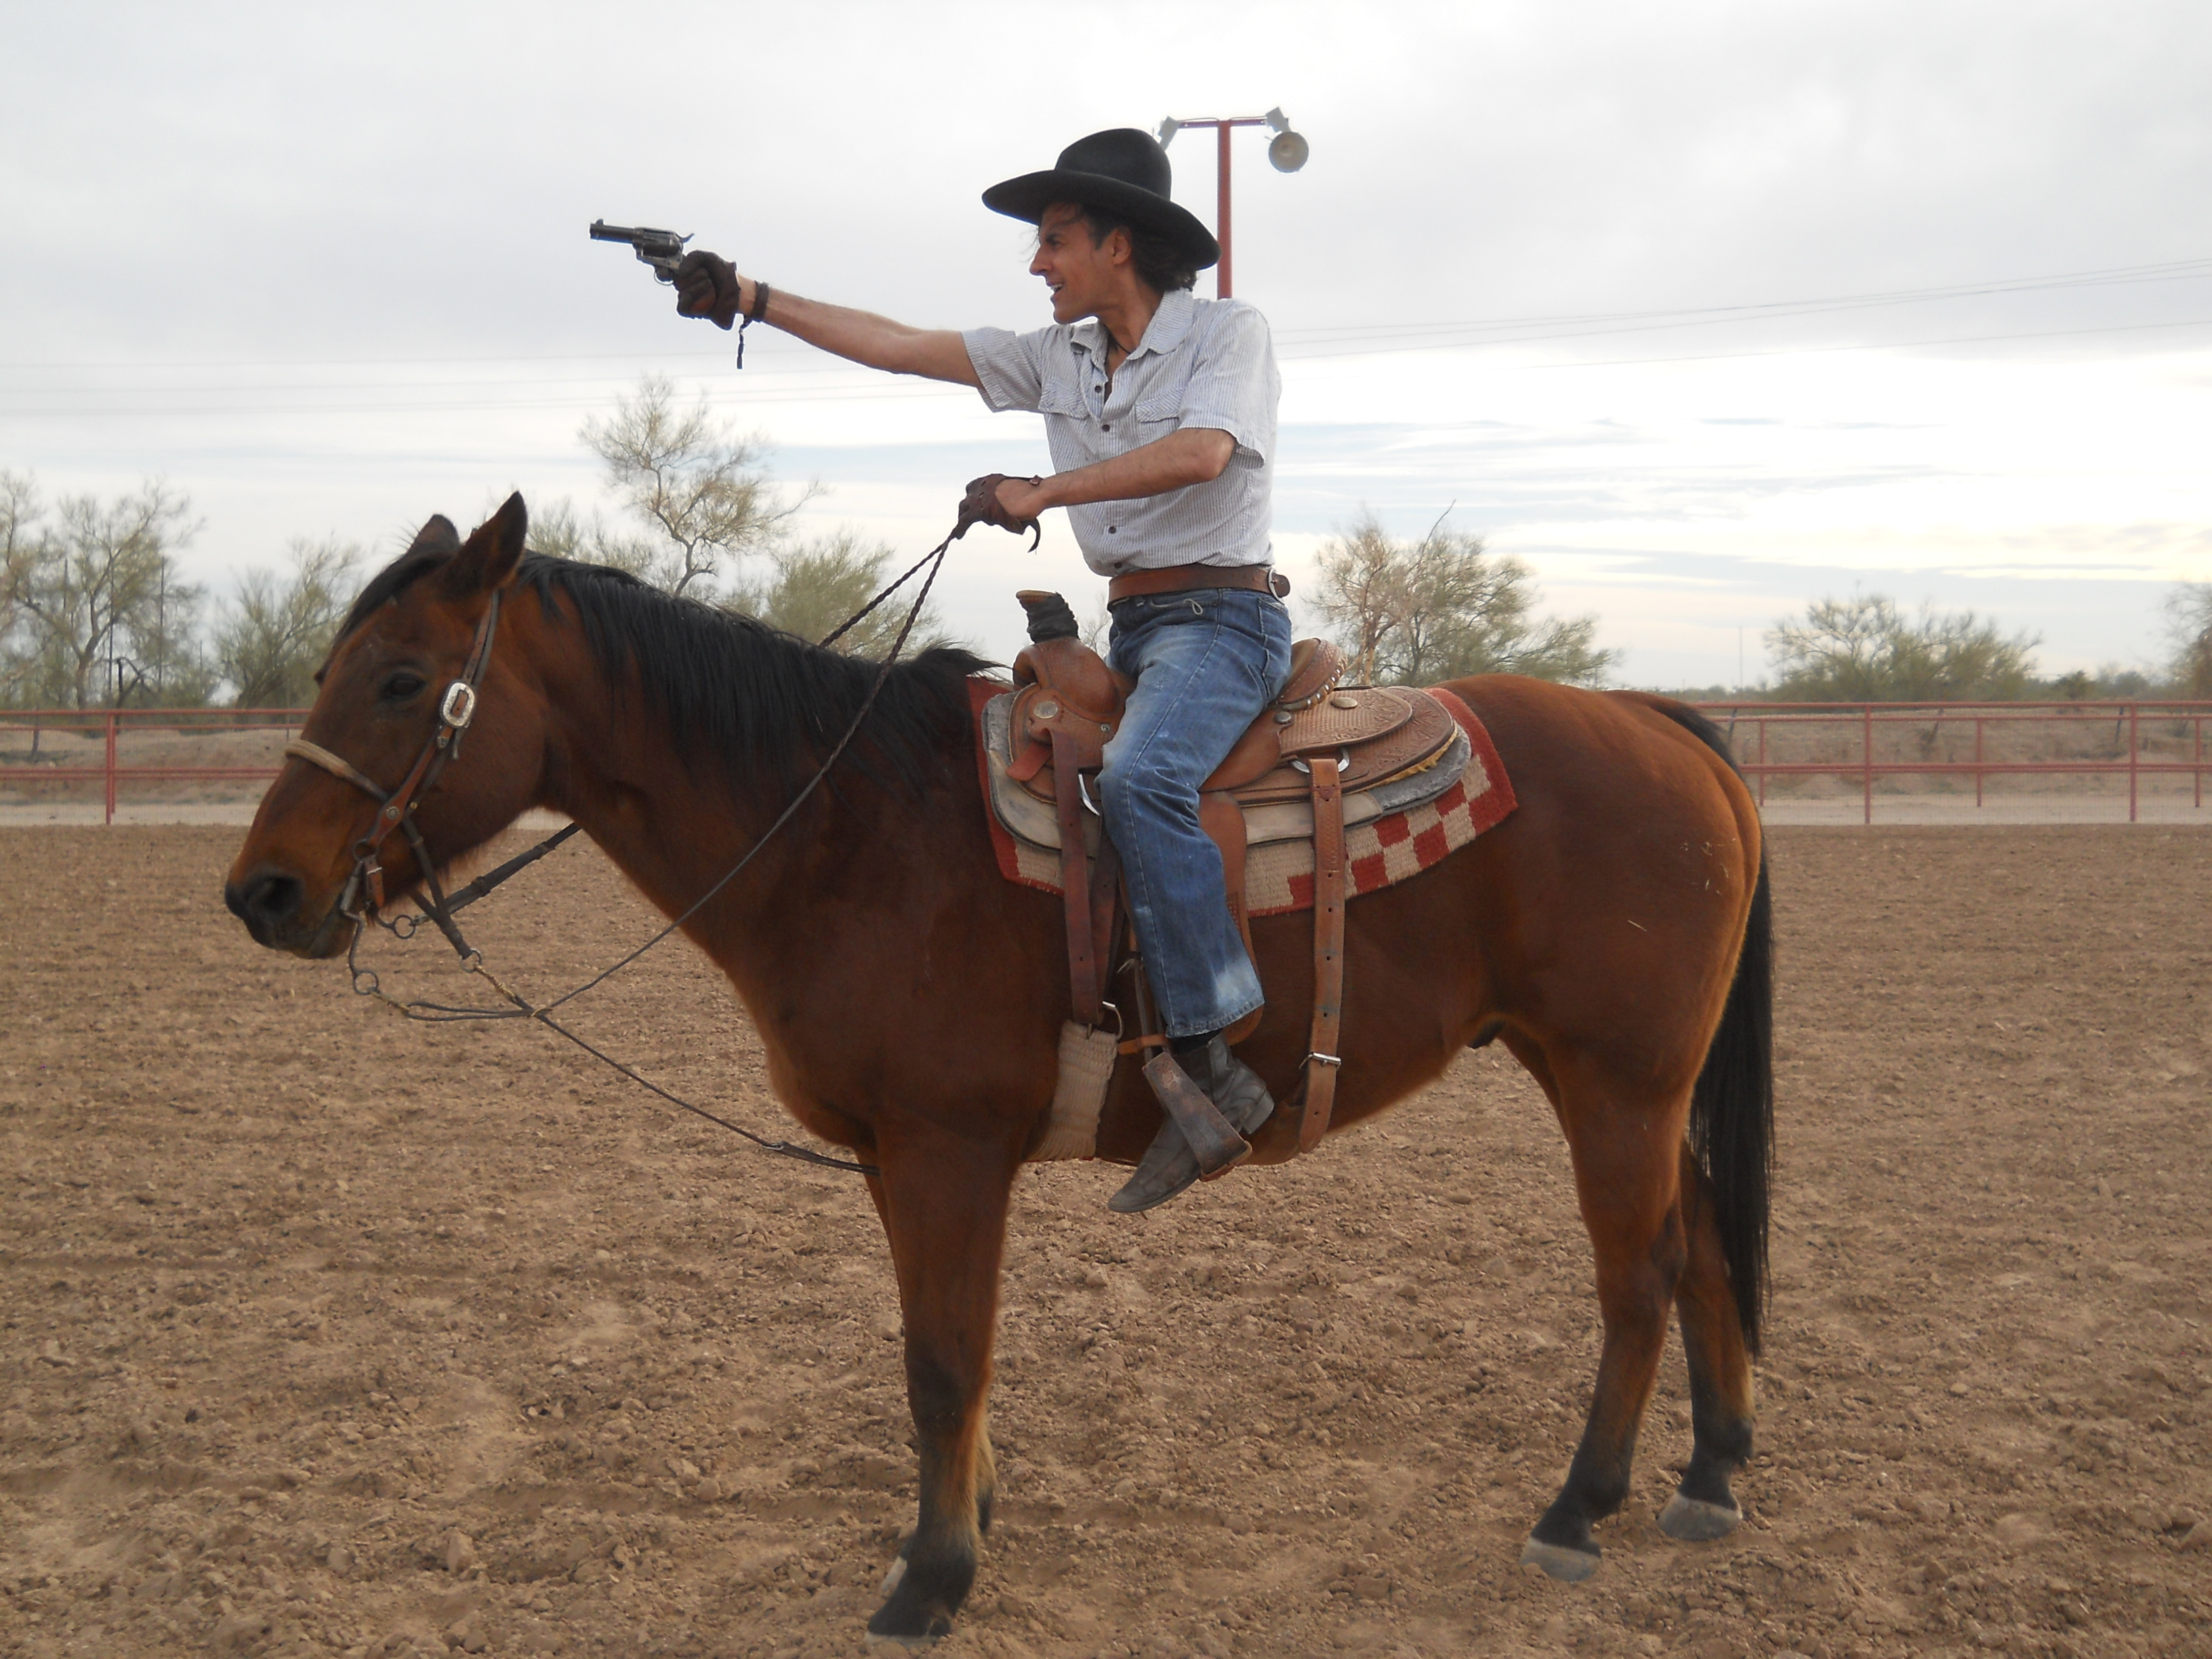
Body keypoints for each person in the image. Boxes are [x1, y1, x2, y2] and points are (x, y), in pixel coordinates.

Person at [672, 128, 1288, 1213]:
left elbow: (1204, 453)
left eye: (1054, 242)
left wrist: (1040, 495)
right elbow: (902, 344)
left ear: (1118, 242)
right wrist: (756, 300)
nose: (1039, 264)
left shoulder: (1228, 334)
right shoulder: (1057, 357)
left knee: (1142, 780)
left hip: (1223, 622)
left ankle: (1213, 1060)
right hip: (1134, 629)